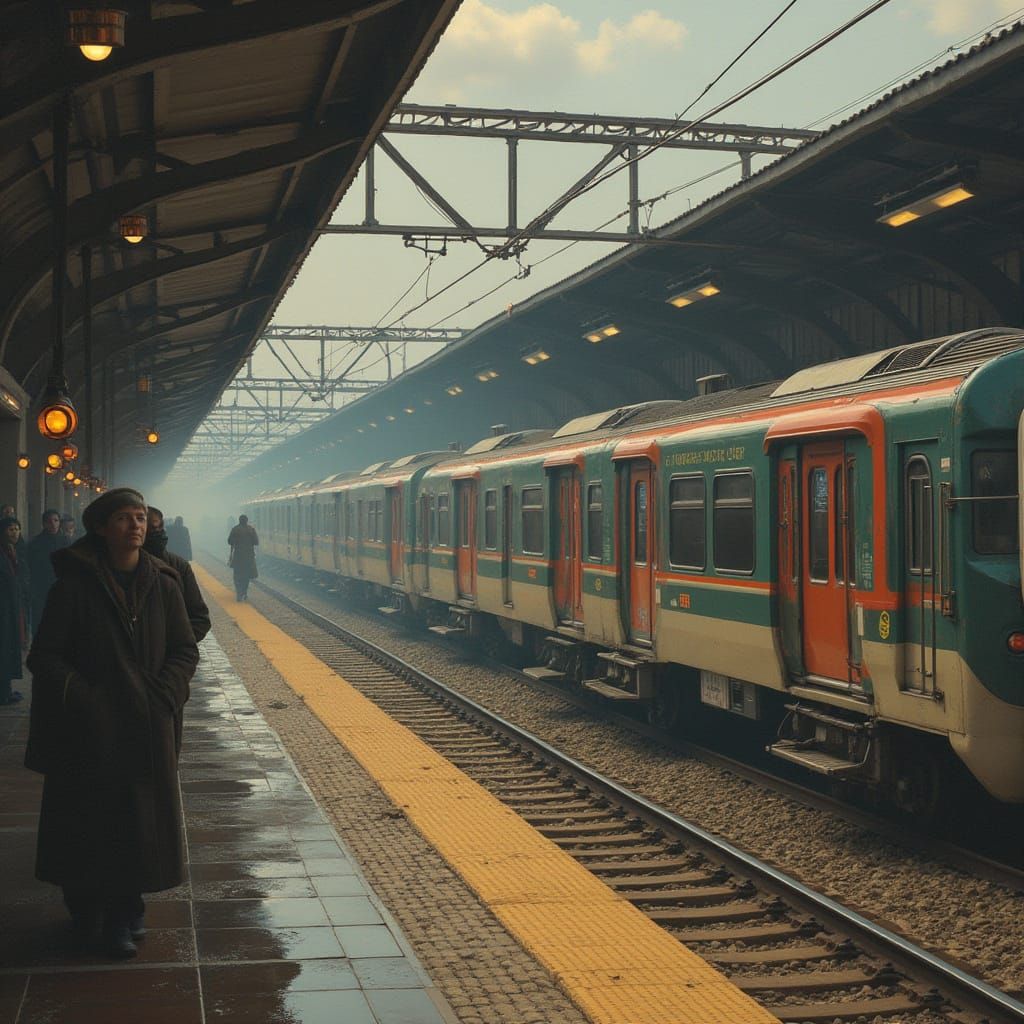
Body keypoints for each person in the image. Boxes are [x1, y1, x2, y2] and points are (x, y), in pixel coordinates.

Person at [25, 488, 199, 959]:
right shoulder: (74, 585)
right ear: (101, 528)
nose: (135, 526)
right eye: (123, 518)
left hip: (146, 722)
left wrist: (164, 694)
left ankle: (124, 911)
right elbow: (45, 655)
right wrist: (87, 699)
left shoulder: (164, 584)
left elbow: (185, 648)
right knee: (86, 820)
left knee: (137, 821)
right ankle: (86, 910)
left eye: (140, 517)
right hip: (87, 728)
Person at [0, 516, 30, 705]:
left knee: (9, 648)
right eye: (11, 529)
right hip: (3, 608)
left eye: (17, 529)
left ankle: (6, 689)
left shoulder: (13, 551)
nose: (15, 533)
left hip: (12, 607)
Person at [28, 509, 65, 637]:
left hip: (62, 587)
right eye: (49, 521)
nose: (53, 524)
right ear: (44, 524)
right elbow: (32, 568)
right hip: (41, 588)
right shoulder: (35, 544)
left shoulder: (66, 541)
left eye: (56, 520)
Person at [227, 514, 258, 601]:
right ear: (247, 521)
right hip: (248, 557)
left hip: (238, 556)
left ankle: (239, 593)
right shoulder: (251, 529)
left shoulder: (235, 529)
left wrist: (236, 541)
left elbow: (229, 541)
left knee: (237, 575)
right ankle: (244, 592)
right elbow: (256, 542)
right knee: (246, 576)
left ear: (239, 520)